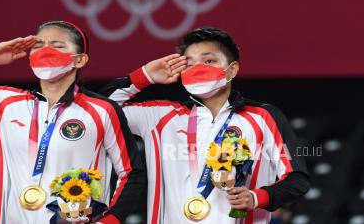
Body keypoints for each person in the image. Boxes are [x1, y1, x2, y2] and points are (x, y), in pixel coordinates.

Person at [0, 21, 145, 224]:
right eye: (38, 45)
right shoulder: (3, 103)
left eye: (57, 45)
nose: (46, 50)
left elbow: (131, 172)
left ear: (80, 59)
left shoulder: (101, 110)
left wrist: (108, 222)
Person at [102, 27, 311, 224]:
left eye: (209, 60)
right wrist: (144, 76)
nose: (198, 69)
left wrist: (257, 198)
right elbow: (95, 112)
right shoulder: (159, 116)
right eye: (190, 64)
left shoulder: (263, 117)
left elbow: (297, 179)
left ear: (232, 69)